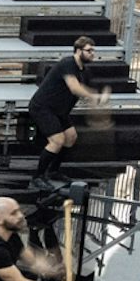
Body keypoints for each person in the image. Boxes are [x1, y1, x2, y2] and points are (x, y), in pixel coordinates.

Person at [29, 37, 108, 183]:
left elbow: (84, 90)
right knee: (57, 140)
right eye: (89, 50)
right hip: (43, 107)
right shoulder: (68, 63)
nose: (92, 53)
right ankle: (38, 177)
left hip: (59, 110)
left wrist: (96, 104)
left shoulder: (84, 71)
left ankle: (53, 171)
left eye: (93, 50)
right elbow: (75, 87)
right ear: (78, 50)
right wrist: (94, 96)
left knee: (71, 137)